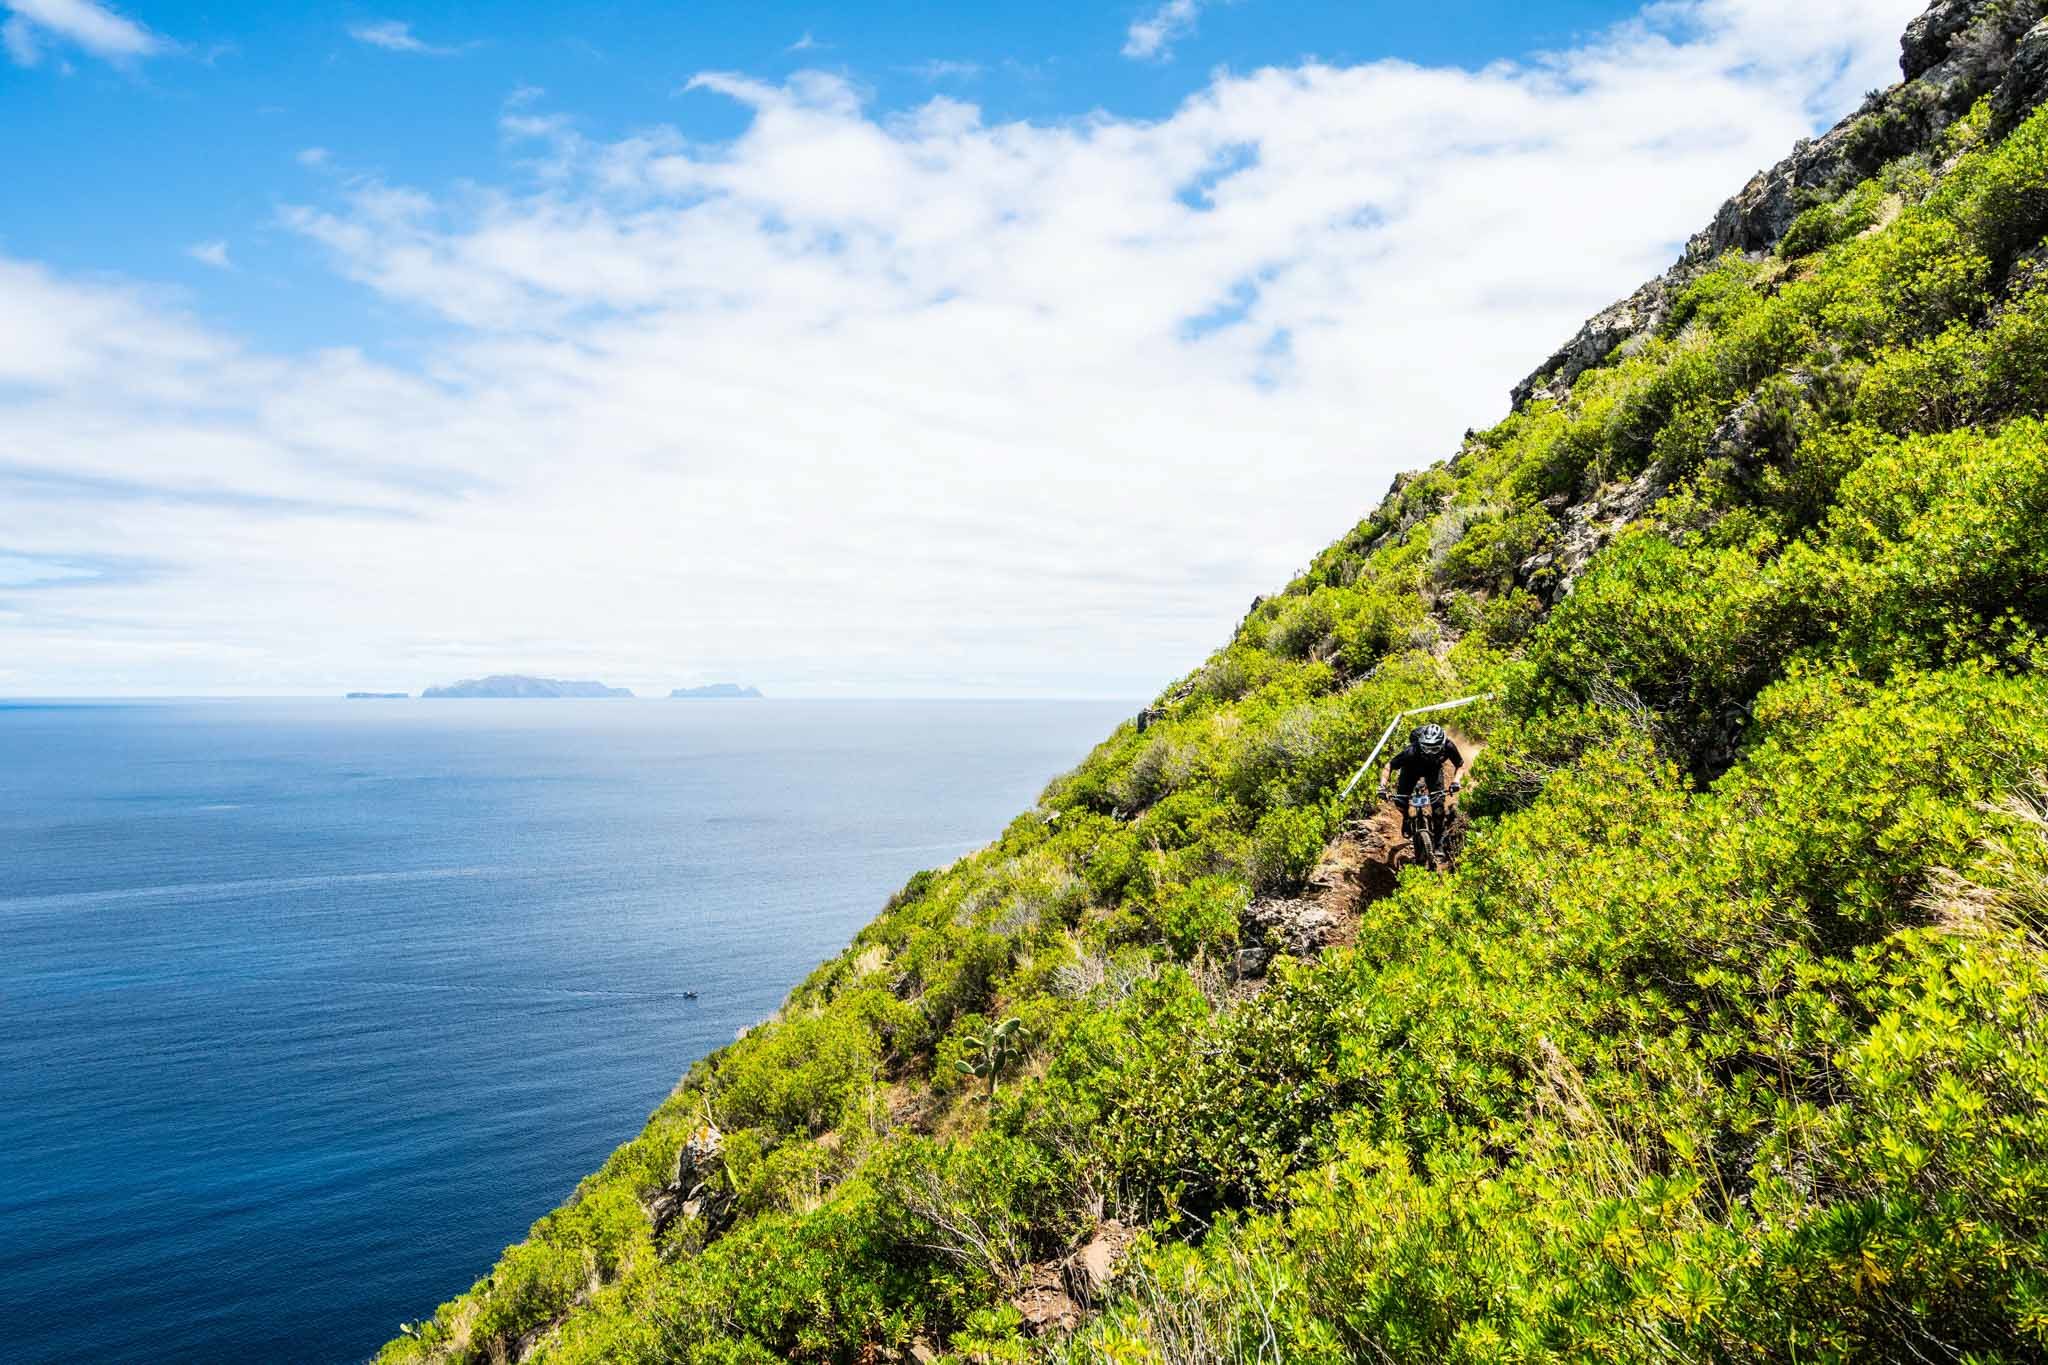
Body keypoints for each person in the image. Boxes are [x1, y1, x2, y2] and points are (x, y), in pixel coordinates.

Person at [1383, 722, 1465, 843]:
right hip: (1410, 770)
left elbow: (1460, 765)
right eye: (1426, 748)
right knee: (1400, 801)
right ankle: (1406, 818)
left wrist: (1456, 782)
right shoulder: (1411, 751)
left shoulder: (1448, 746)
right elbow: (1389, 765)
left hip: (1433, 771)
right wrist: (1382, 786)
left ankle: (1438, 842)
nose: (1429, 752)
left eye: (1434, 749)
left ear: (1442, 745)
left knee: (1438, 808)